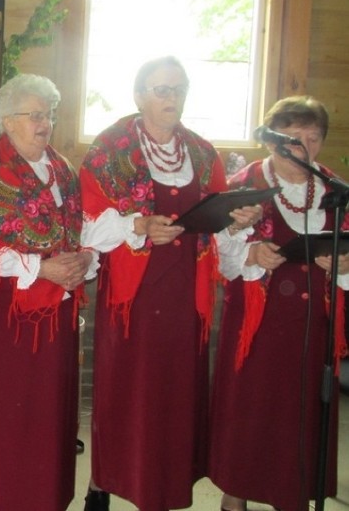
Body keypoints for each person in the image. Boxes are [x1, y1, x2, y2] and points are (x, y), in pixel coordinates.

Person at [78, 56, 260, 511]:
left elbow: (217, 217)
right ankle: (105, 483)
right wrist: (138, 226)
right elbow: (85, 224)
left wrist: (235, 220)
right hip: (132, 300)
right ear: (139, 95)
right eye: (161, 89)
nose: (172, 98)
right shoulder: (110, 148)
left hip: (186, 296)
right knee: (128, 395)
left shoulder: (201, 151)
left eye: (178, 89)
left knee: (175, 396)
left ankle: (166, 490)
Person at [0, 73, 94, 511]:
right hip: (9, 322)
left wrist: (84, 260)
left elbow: (80, 228)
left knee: (51, 418)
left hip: (59, 317)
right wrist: (41, 268)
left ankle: (47, 498)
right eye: (34, 115)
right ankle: (8, 497)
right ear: (7, 122)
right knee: (12, 418)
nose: (44, 123)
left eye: (47, 114)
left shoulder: (62, 168)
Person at [209, 96, 349, 511]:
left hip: (313, 325)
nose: (304, 148)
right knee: (250, 411)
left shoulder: (335, 190)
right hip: (258, 324)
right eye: (293, 139)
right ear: (272, 142)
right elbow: (211, 252)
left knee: (301, 415)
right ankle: (234, 497)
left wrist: (343, 262)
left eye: (313, 138)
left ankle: (294, 497)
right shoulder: (242, 186)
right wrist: (250, 255)